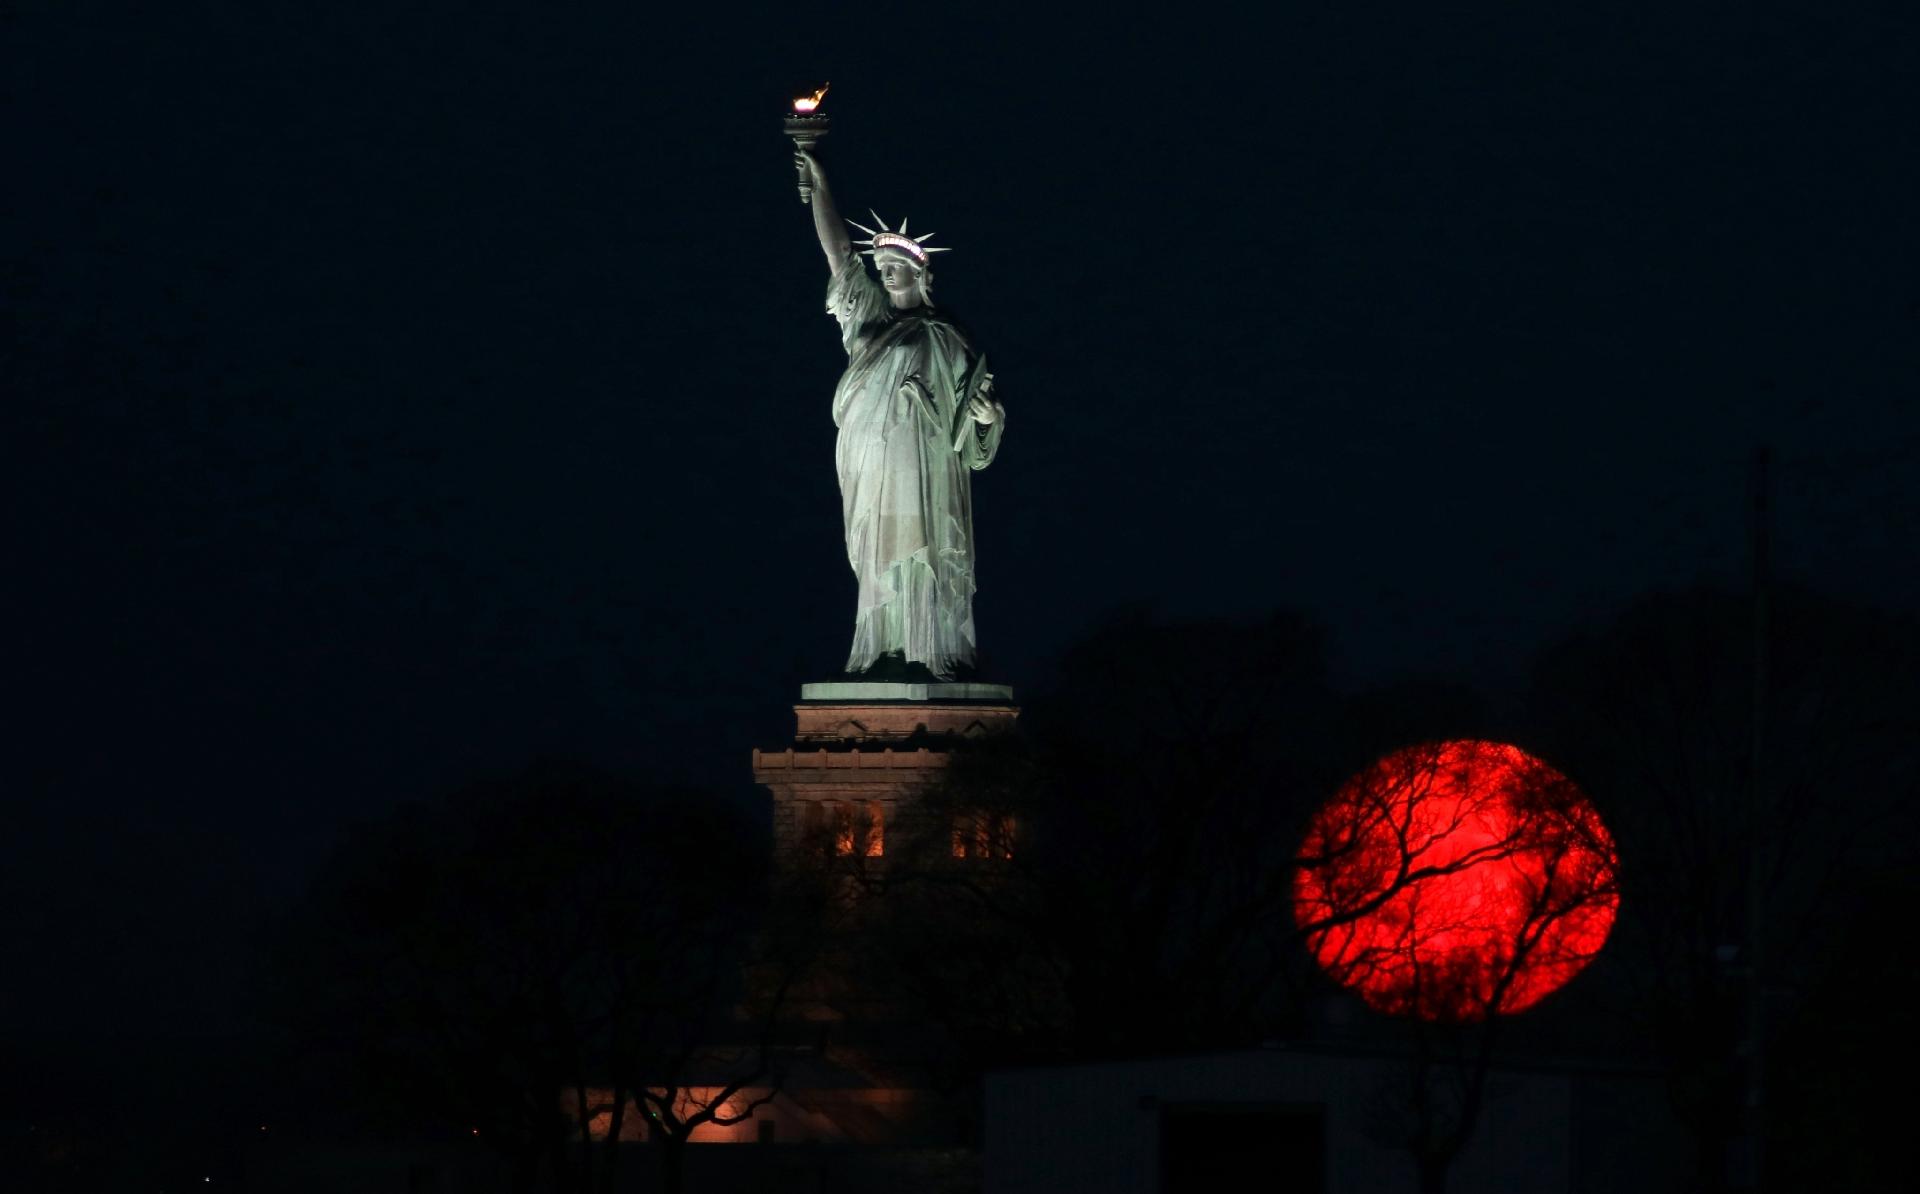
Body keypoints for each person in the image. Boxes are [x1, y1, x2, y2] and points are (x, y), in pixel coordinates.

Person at [795, 149, 1005, 681]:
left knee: (924, 546)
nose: (886, 274)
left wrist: (988, 418)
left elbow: (973, 423)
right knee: (878, 549)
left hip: (927, 459)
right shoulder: (867, 317)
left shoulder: (948, 336)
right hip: (871, 456)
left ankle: (926, 647)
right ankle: (882, 645)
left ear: (920, 273)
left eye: (897, 267)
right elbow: (840, 255)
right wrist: (821, 188)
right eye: (882, 267)